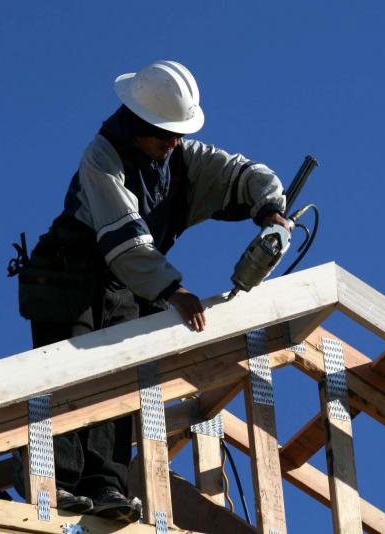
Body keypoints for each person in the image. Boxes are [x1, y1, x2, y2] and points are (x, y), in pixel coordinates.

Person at [15, 60, 288, 520]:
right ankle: (53, 481)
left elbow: (239, 173)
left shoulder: (181, 160)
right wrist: (173, 290)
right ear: (138, 126)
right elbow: (124, 242)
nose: (173, 143)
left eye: (177, 135)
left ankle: (105, 487)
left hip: (125, 285)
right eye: (165, 136)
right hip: (70, 278)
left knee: (118, 379)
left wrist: (270, 209)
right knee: (69, 374)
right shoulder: (102, 157)